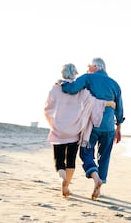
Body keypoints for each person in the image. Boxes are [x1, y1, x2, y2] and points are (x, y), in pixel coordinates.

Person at [44, 63, 115, 197]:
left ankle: (62, 181)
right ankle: (68, 185)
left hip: (58, 130)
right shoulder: (81, 90)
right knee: (70, 160)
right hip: (74, 131)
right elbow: (94, 102)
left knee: (59, 160)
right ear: (75, 73)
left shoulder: (55, 88)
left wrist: (52, 122)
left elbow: (47, 108)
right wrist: (109, 103)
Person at [60, 57, 124, 200]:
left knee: (85, 152)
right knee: (105, 155)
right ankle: (100, 184)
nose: (87, 68)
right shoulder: (115, 84)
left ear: (95, 66)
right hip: (109, 126)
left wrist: (62, 83)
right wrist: (118, 127)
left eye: (89, 66)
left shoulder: (88, 77)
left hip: (92, 125)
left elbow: (72, 88)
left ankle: (95, 178)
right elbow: (119, 108)